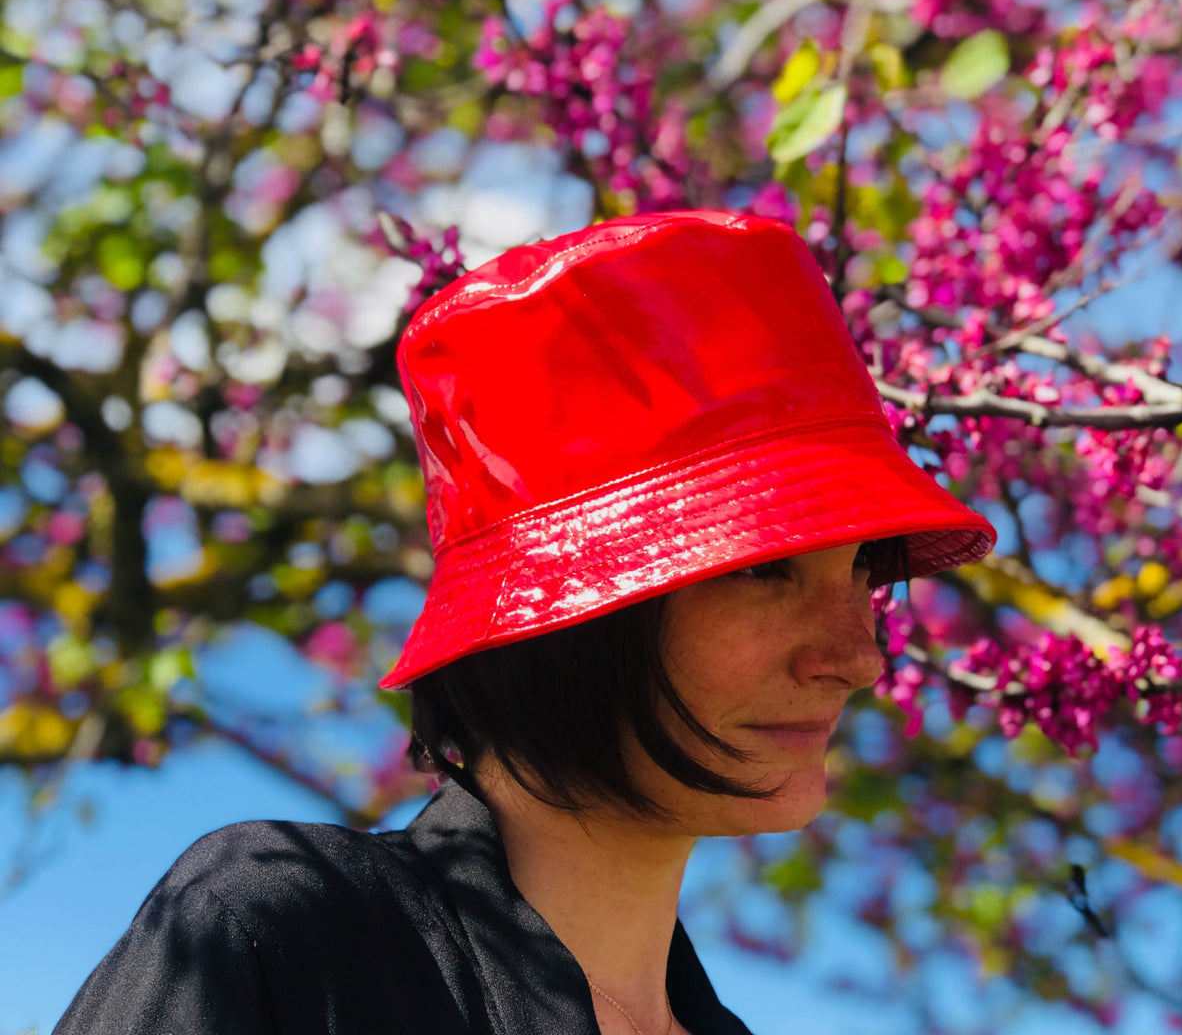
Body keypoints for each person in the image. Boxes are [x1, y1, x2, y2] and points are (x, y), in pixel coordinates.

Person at [55, 210, 996, 1035]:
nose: (860, 657)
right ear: (572, 614)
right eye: (761, 569)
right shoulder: (286, 939)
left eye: (864, 571)